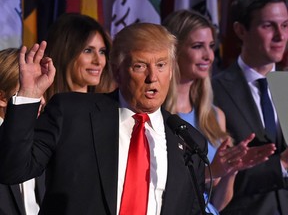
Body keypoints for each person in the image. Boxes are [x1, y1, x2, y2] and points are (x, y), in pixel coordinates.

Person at [0, 23, 208, 215]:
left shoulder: (189, 142)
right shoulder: (71, 114)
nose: (152, 77)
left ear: (171, 71)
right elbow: (12, 170)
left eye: (161, 65)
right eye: (140, 66)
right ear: (117, 71)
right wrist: (28, 95)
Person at [163, 9, 276, 214]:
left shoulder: (214, 116)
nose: (208, 56)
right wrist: (211, 172)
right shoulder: (157, 115)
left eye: (211, 46)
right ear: (173, 50)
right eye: (198, 46)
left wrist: (231, 171)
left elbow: (218, 203)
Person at [212, 0, 288, 214]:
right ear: (240, 30)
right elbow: (214, 175)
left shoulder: (287, 84)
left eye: (285, 25)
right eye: (268, 26)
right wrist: (281, 164)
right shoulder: (214, 92)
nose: (280, 36)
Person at [0, 48, 45, 215]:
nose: (40, 100)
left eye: (41, 89)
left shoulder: (42, 141)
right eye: (29, 90)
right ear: (2, 98)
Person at [44, 13, 116, 102]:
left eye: (102, 51)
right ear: (65, 54)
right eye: (88, 50)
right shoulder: (39, 107)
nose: (99, 61)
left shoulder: (111, 107)